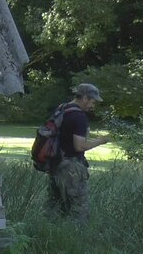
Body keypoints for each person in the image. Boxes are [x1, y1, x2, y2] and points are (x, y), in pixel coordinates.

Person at [47, 83, 110, 222]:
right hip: (71, 167)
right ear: (85, 98)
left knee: (55, 207)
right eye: (92, 102)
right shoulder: (79, 117)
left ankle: (50, 234)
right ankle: (77, 236)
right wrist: (101, 141)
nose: (92, 106)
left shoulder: (62, 109)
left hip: (55, 164)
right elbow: (79, 146)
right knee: (79, 209)